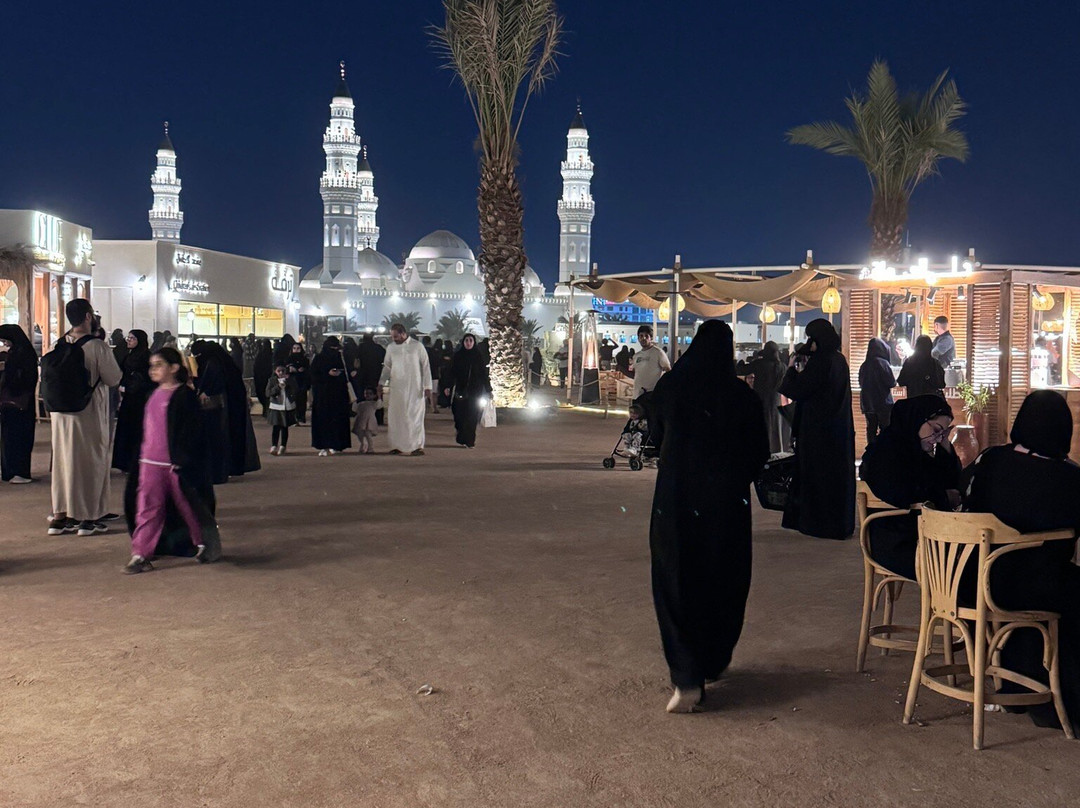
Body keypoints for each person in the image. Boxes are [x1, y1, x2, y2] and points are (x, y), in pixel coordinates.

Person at [649, 320, 769, 713]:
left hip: (676, 501)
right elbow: (759, 454)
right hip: (726, 508)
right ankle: (714, 659)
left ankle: (686, 676)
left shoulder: (672, 387)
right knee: (724, 580)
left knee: (676, 579)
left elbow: (654, 433)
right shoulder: (741, 396)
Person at [961, 390, 1080, 735]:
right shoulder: (1067, 479)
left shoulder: (990, 460)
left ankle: (1017, 683)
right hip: (1030, 588)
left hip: (968, 581)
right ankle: (1060, 697)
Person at [122, 346, 221, 574]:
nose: (153, 370)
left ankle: (204, 543)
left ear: (174, 368)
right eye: (152, 365)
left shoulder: (185, 397)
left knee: (190, 506)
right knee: (147, 508)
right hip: (149, 463)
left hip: (176, 465)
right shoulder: (151, 395)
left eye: (159, 365)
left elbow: (192, 431)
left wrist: (185, 458)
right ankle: (140, 553)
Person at [859, 396, 961, 580]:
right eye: (936, 431)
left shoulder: (915, 448)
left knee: (971, 558)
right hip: (894, 542)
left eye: (943, 434)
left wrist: (945, 444)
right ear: (918, 418)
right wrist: (942, 497)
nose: (936, 439)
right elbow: (900, 492)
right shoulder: (887, 449)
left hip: (918, 535)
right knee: (963, 568)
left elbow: (952, 481)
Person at [45, 299, 123, 536]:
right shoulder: (97, 347)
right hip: (88, 412)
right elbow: (113, 378)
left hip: (61, 415)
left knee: (62, 462)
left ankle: (61, 516)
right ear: (88, 316)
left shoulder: (58, 344)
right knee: (91, 463)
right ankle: (88, 518)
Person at [778, 318, 855, 540]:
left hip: (818, 432)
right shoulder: (839, 359)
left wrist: (792, 368)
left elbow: (795, 390)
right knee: (835, 480)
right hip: (838, 430)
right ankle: (839, 524)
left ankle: (818, 524)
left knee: (817, 478)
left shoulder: (821, 362)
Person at [190, 340, 260, 481]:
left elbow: (210, 384)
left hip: (218, 410)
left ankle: (218, 471)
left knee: (217, 439)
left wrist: (203, 390)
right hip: (230, 409)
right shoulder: (225, 363)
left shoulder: (212, 364)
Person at [379, 323, 431, 456]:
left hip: (415, 388)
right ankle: (396, 445)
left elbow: (425, 367)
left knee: (415, 416)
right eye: (392, 336)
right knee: (396, 416)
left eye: (396, 336)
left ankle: (417, 446)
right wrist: (381, 383)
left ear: (403, 334)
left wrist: (427, 387)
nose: (394, 339)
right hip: (397, 388)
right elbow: (387, 367)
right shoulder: (391, 348)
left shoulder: (417, 347)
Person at [0, 324, 39, 483]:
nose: (5, 344)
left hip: (18, 401)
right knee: (13, 437)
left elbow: (18, 378)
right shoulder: (24, 352)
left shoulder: (20, 354)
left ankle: (17, 472)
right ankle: (13, 471)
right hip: (20, 403)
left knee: (15, 437)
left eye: (5, 340)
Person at [735, 341, 787, 454]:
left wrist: (740, 362)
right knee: (775, 426)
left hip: (761, 399)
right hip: (776, 401)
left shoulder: (759, 364)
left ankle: (763, 450)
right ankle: (777, 449)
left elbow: (741, 370)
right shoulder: (782, 367)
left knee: (763, 425)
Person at [111, 330, 152, 472]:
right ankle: (125, 462)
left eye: (132, 338)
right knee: (127, 429)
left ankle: (133, 462)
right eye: (128, 338)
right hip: (129, 398)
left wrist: (129, 385)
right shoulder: (131, 354)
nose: (129, 340)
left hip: (139, 399)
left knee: (135, 430)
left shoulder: (145, 356)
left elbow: (145, 378)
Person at [446, 333, 491, 449]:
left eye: (471, 340)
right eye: (467, 340)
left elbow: (483, 374)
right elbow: (452, 372)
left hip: (475, 391)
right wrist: (448, 386)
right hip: (461, 390)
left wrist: (488, 389)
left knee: (472, 416)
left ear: (474, 342)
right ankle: (461, 436)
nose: (469, 343)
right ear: (463, 342)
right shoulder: (458, 356)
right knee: (459, 415)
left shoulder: (478, 356)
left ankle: (470, 440)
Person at [309, 337, 352, 456]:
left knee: (337, 420)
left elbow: (347, 373)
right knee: (323, 420)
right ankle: (323, 445)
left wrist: (339, 373)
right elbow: (313, 376)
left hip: (338, 395)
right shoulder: (319, 359)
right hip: (323, 396)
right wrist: (327, 374)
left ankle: (336, 444)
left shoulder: (341, 358)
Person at [858, 337, 896, 445]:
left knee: (871, 430)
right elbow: (892, 383)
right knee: (886, 429)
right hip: (883, 403)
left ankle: (871, 455)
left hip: (867, 404)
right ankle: (883, 454)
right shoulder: (883, 363)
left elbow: (861, 383)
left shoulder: (864, 365)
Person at [632, 325, 672, 400]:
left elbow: (668, 370)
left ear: (651, 338)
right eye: (641, 336)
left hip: (652, 395)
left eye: (646, 336)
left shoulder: (658, 352)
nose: (643, 338)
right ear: (638, 338)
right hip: (637, 395)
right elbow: (636, 374)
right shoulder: (636, 356)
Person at [266, 362, 298, 456]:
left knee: (285, 427)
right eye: (278, 371)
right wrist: (278, 387)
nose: (280, 373)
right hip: (276, 406)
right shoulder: (272, 380)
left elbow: (296, 390)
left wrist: (288, 385)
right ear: (275, 371)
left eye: (282, 371)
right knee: (276, 426)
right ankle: (274, 445)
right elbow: (268, 393)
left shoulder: (291, 380)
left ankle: (283, 446)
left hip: (287, 406)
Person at [357, 332, 387, 425]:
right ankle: (379, 419)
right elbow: (385, 360)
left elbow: (356, 361)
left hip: (363, 376)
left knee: (364, 397)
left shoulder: (360, 348)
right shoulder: (379, 348)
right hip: (376, 376)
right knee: (377, 396)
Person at [286, 342, 311, 424]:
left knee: (302, 400)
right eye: (294, 348)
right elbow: (285, 370)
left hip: (302, 382)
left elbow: (308, 370)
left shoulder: (305, 360)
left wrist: (303, 370)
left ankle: (301, 416)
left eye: (298, 348)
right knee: (294, 399)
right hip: (292, 382)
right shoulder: (288, 359)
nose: (296, 350)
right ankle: (294, 417)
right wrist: (290, 368)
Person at [352, 387, 379, 454]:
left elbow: (379, 405)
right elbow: (354, 409)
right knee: (360, 435)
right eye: (366, 393)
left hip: (369, 422)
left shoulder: (374, 404)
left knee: (368, 435)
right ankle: (363, 444)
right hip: (361, 421)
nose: (368, 395)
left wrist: (379, 397)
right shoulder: (361, 404)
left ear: (374, 395)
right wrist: (354, 401)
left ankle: (370, 448)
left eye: (370, 394)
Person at [253, 339, 273, 415]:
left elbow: (256, 367)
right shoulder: (271, 355)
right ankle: (267, 409)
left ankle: (265, 409)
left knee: (262, 393)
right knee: (268, 394)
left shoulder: (260, 355)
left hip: (260, 379)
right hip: (268, 378)